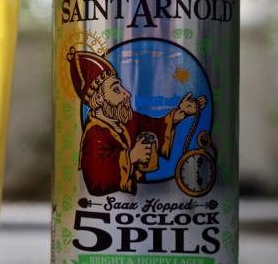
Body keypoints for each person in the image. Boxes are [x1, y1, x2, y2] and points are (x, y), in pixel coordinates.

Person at [67, 48, 207, 196]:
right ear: (99, 98)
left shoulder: (124, 118)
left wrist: (181, 113)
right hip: (116, 203)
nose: (127, 94)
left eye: (121, 86)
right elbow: (95, 181)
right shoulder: (94, 134)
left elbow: (153, 125)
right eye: (116, 89)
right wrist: (132, 156)